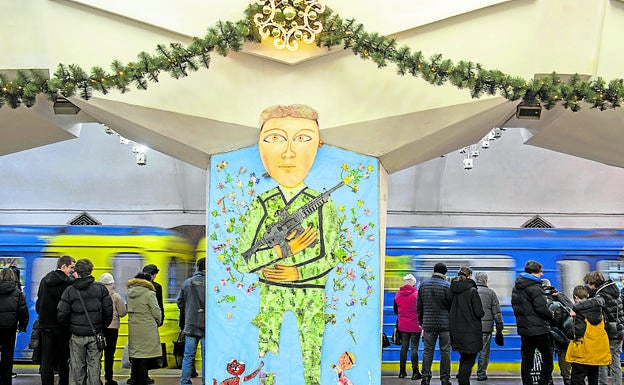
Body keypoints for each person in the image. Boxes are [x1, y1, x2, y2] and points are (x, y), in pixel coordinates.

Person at [233, 104, 341, 385]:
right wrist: (282, 251)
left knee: (311, 358)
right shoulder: (263, 204)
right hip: (271, 294)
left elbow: (331, 255)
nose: (289, 153)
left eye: (303, 139)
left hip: (312, 293)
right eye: (274, 138)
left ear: (318, 145)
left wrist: (298, 273)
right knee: (268, 358)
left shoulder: (322, 205)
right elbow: (243, 260)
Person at [57, 258, 113, 385]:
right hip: (95, 334)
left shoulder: (70, 290)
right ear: (91, 271)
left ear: (76, 272)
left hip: (77, 336)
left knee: (77, 368)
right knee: (94, 367)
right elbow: (108, 312)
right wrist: (100, 327)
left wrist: (71, 327)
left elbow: (62, 315)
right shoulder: (101, 289)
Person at [511, 260, 555, 385]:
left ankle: (527, 383)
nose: (542, 274)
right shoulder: (535, 288)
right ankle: (543, 382)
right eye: (540, 272)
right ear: (535, 272)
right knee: (548, 358)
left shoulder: (517, 287)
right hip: (539, 330)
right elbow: (542, 309)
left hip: (525, 330)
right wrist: (552, 320)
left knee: (526, 360)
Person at [35, 255, 76, 385]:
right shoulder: (69, 283)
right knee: (64, 360)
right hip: (62, 327)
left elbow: (39, 303)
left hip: (45, 326)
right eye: (71, 267)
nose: (72, 271)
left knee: (46, 361)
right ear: (63, 266)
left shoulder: (44, 280)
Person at [583, 271, 624, 385]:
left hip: (609, 333)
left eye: (589, 284)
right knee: (615, 362)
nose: (588, 287)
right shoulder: (614, 291)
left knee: (602, 362)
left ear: (593, 283)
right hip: (619, 331)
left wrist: (577, 308)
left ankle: (603, 383)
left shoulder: (602, 296)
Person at [566, 285, 610, 385]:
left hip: (583, 351)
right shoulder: (600, 310)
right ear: (588, 295)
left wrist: (568, 329)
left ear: (576, 297)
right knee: (593, 378)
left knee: (577, 379)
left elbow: (577, 332)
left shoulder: (579, 312)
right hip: (596, 351)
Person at [448, 266, 484, 385]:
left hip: (456, 330)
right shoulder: (472, 291)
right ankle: (463, 381)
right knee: (469, 359)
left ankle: (461, 378)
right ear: (469, 276)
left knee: (464, 356)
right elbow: (479, 312)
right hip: (470, 330)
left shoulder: (452, 290)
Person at [416, 262, 451, 385]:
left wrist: (422, 322)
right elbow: (451, 306)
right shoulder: (447, 286)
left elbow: (419, 307)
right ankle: (445, 379)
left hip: (428, 324)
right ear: (444, 273)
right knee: (445, 351)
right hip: (445, 325)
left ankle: (425, 378)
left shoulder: (423, 285)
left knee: (427, 351)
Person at [126, 272, 162, 385]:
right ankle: (142, 381)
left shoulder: (129, 293)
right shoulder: (149, 294)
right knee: (145, 358)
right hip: (147, 328)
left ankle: (135, 379)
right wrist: (158, 321)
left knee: (136, 357)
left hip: (134, 328)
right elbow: (156, 311)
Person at [177, 257, 206, 385]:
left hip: (190, 324)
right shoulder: (211, 283)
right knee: (206, 356)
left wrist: (188, 312)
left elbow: (180, 302)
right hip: (207, 326)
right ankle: (206, 381)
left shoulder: (187, 283)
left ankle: (185, 381)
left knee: (188, 356)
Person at [542, 279, 574, 385]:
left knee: (547, 355)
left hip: (546, 331)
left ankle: (549, 378)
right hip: (561, 331)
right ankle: (567, 378)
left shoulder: (537, 298)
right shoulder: (559, 296)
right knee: (563, 353)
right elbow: (571, 307)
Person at [0, 268, 28, 385]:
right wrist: (21, 326)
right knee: (7, 354)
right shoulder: (18, 293)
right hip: (9, 328)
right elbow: (23, 313)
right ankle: (5, 380)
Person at [99, 273, 128, 385]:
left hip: (99, 328)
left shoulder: (97, 295)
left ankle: (95, 377)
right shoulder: (116, 296)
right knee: (109, 354)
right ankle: (108, 378)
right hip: (112, 328)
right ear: (112, 283)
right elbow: (122, 313)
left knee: (97, 354)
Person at [475, 271, 504, 382]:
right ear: (485, 281)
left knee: (470, 350)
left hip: (471, 328)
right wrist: (499, 326)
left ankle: (464, 372)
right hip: (485, 328)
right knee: (483, 351)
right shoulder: (491, 293)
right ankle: (481, 374)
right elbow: (496, 312)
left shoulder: (470, 292)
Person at [393, 273, 422, 380]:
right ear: (414, 284)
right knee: (414, 348)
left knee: (404, 347)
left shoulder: (397, 295)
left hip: (403, 325)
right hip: (415, 325)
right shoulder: (417, 295)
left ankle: (402, 371)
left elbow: (395, 310)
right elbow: (420, 309)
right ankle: (415, 372)